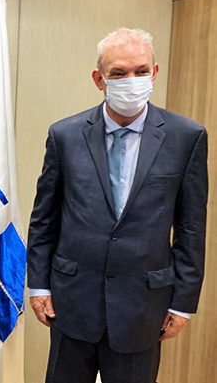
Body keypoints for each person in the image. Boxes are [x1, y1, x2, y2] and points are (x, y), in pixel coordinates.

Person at [27, 27, 208, 383]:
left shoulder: (186, 137)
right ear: (99, 79)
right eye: (119, 73)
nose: (132, 81)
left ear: (155, 72)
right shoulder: (65, 135)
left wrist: (183, 302)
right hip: (72, 301)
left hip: (143, 308)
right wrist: (39, 286)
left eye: (141, 71)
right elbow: (44, 219)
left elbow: (191, 228)